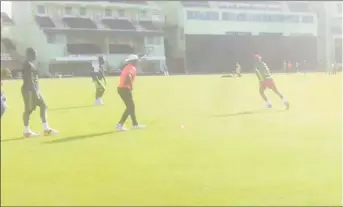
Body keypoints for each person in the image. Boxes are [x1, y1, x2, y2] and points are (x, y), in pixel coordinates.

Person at [21, 47, 58, 137]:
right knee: (28, 111)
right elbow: (29, 79)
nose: (36, 55)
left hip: (35, 90)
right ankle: (27, 132)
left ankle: (46, 129)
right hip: (30, 90)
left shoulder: (31, 64)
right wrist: (34, 91)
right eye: (34, 53)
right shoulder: (27, 64)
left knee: (44, 105)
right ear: (29, 54)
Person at [116, 54, 145, 131]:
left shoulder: (127, 67)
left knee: (131, 107)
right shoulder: (131, 67)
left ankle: (135, 124)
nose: (137, 62)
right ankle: (120, 124)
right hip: (124, 89)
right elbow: (128, 76)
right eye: (136, 60)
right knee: (130, 107)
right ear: (133, 61)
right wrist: (130, 85)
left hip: (122, 88)